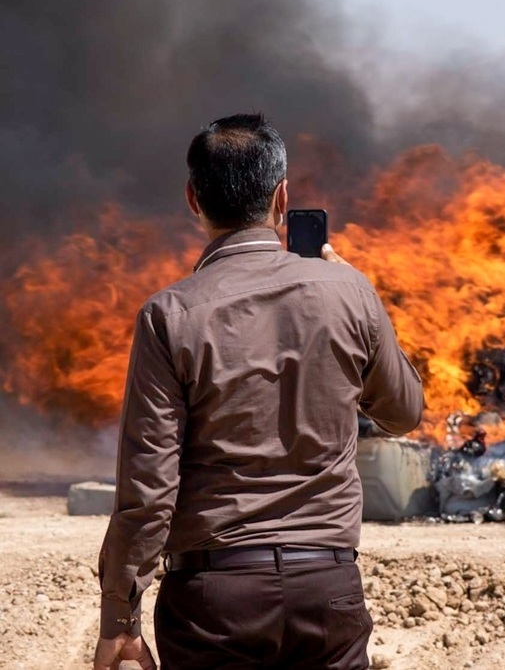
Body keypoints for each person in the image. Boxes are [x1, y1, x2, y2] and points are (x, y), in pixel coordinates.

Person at [92, 113, 424, 670]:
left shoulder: (170, 315)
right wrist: (357, 295)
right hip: (328, 590)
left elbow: (148, 489)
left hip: (213, 602)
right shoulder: (349, 291)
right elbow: (403, 411)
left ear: (193, 199)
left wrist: (120, 622)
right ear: (282, 196)